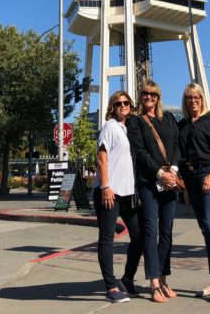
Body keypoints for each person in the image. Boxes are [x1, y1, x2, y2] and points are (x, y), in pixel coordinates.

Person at [127, 80, 181, 303]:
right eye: (145, 94)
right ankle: (153, 283)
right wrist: (159, 173)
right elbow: (139, 152)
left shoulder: (168, 118)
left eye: (153, 94)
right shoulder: (135, 121)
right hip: (149, 183)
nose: (148, 97)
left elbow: (177, 145)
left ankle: (164, 277)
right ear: (140, 97)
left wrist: (174, 171)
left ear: (158, 97)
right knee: (151, 231)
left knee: (166, 231)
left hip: (169, 183)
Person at [179, 82, 210, 304]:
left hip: (209, 174)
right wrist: (186, 188)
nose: (193, 101)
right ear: (185, 101)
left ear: (202, 98)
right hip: (191, 178)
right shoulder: (182, 125)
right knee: (203, 226)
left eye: (196, 97)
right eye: (189, 98)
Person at [93, 89, 143, 304]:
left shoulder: (129, 129)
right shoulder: (110, 127)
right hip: (110, 192)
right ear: (112, 107)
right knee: (107, 238)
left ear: (131, 106)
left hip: (128, 193)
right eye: (118, 103)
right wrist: (105, 186)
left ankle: (127, 279)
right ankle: (110, 286)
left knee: (139, 236)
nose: (123, 106)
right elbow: (102, 158)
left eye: (126, 103)